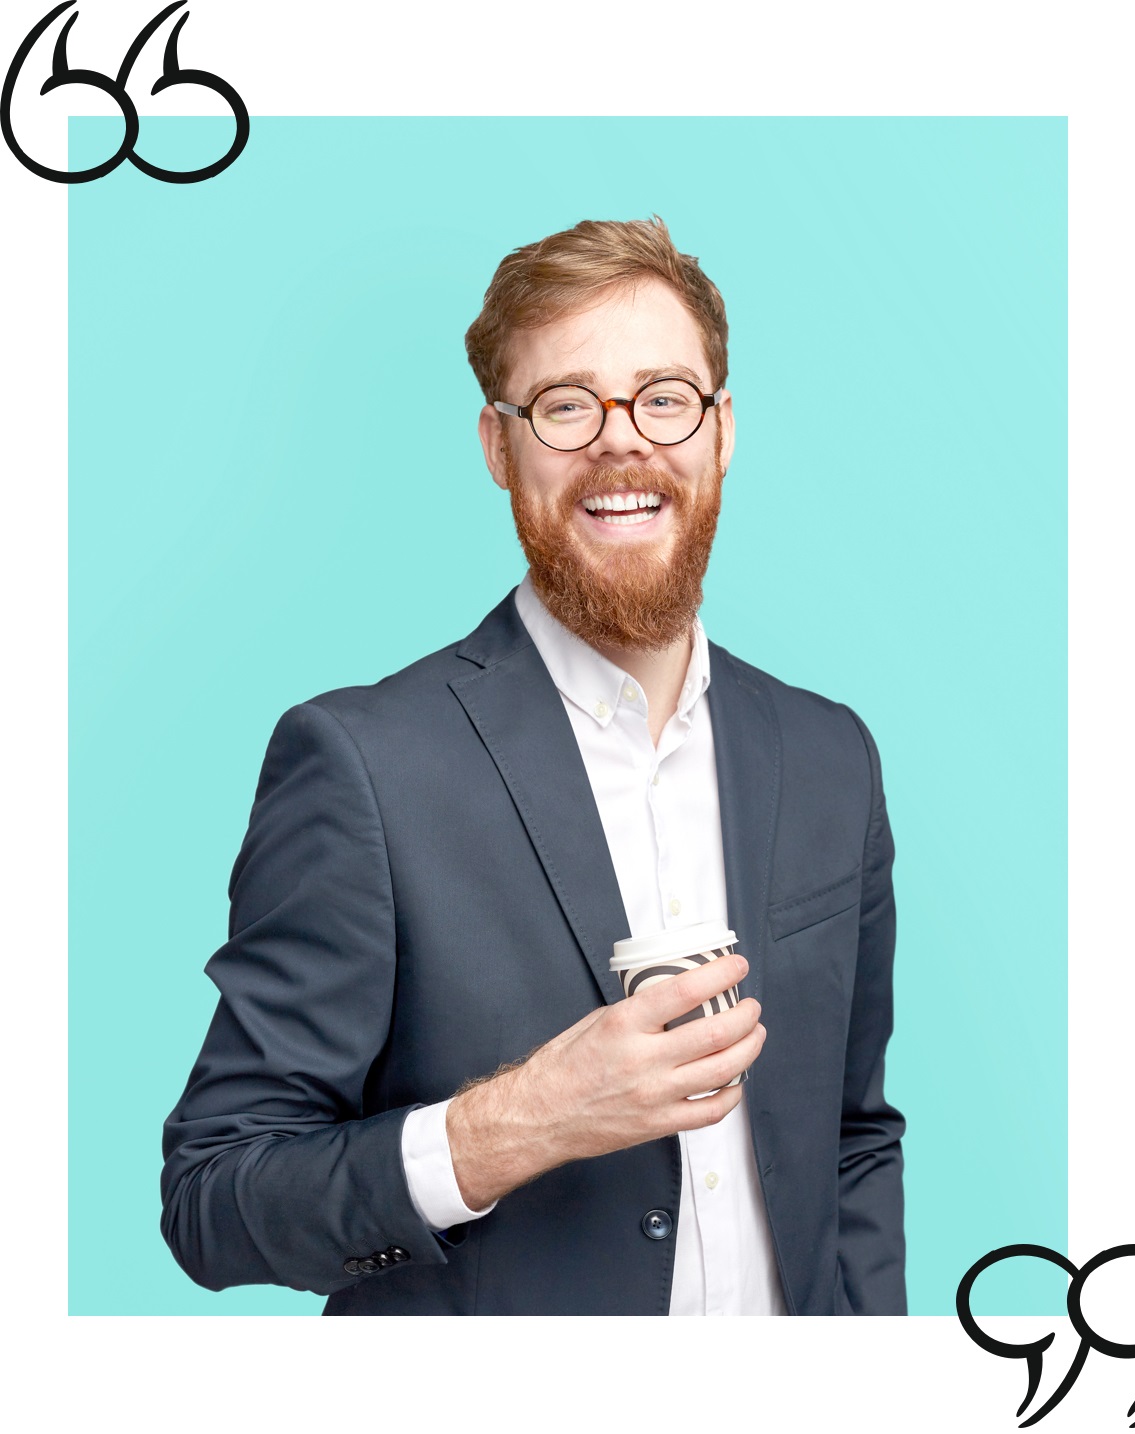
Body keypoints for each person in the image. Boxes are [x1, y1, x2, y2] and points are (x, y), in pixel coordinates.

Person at [160, 217, 906, 1316]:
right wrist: (516, 1123)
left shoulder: (829, 754)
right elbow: (213, 1201)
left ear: (720, 432)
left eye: (664, 398)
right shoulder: (361, 764)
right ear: (499, 447)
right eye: (566, 405)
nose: (623, 441)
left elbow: (850, 1141)